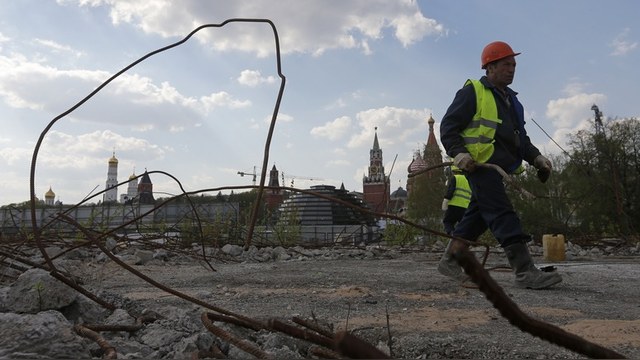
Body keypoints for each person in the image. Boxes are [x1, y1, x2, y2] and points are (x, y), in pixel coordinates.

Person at [438, 41, 562, 289]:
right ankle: (525, 271)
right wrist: (459, 154)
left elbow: (520, 139)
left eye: (514, 65)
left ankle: (450, 260)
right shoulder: (473, 92)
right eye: (506, 64)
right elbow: (448, 128)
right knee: (502, 213)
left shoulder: (514, 103)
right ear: (490, 67)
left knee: (479, 217)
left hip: (500, 169)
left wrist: (537, 158)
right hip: (481, 166)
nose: (512, 69)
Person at [441, 167, 471, 235]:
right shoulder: (469, 180)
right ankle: (462, 237)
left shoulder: (455, 178)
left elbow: (451, 191)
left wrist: (445, 201)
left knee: (448, 222)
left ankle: (452, 234)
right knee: (463, 224)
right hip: (465, 207)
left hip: (453, 205)